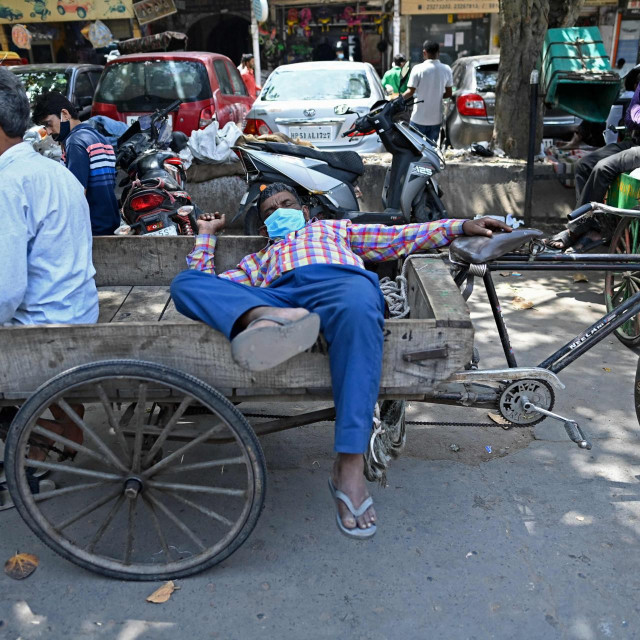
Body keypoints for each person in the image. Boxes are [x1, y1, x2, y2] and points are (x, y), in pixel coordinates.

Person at [170, 182, 510, 538]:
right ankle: (264, 316)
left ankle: (349, 464)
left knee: (361, 305)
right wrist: (206, 234)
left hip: (341, 286)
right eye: (270, 211)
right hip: (279, 295)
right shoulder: (257, 260)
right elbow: (204, 282)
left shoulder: (332, 229)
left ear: (304, 212)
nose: (279, 211)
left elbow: (397, 237)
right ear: (263, 228)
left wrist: (458, 226)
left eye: (286, 204)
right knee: (184, 285)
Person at [0, 68, 96, 483]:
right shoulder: (52, 170)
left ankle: (42, 436)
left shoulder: (9, 183)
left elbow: (6, 291)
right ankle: (51, 430)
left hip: (44, 328)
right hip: (79, 311)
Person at [547, 66, 640, 251]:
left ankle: (576, 229)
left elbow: (635, 117)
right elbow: (632, 117)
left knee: (603, 168)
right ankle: (593, 227)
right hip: (635, 141)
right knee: (585, 165)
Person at [31, 91, 120, 236]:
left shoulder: (75, 142)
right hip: (109, 223)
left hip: (91, 228)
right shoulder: (100, 138)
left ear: (65, 114)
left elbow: (76, 194)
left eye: (49, 124)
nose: (48, 131)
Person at [402, 40, 453, 143]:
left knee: (415, 149)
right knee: (432, 150)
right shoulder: (446, 69)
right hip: (436, 120)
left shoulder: (418, 69)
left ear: (424, 52)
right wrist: (436, 95)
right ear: (438, 52)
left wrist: (397, 100)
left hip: (418, 119)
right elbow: (449, 93)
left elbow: (410, 92)